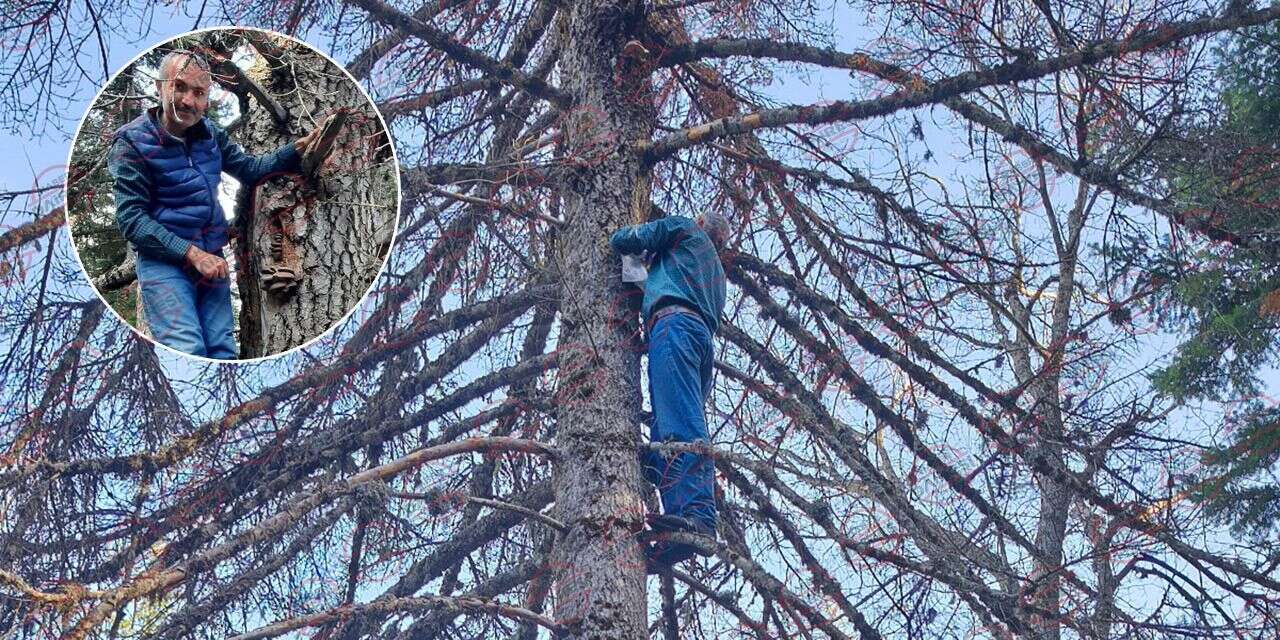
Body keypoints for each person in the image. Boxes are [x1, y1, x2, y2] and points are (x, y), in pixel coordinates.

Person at [109, 50, 325, 358]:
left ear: (207, 97)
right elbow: (131, 220)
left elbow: (250, 169)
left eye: (199, 93)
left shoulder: (209, 134)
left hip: (211, 261)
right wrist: (192, 254)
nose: (188, 101)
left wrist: (295, 150)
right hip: (165, 264)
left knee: (223, 350)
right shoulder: (130, 142)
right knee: (187, 348)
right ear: (159, 88)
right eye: (178, 86)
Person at [609, 211, 730, 569]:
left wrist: (634, 247)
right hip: (697, 339)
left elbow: (623, 239)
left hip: (674, 326)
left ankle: (699, 520)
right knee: (668, 429)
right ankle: (678, 521)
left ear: (702, 225)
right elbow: (644, 285)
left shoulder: (682, 228)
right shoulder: (715, 273)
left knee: (679, 426)